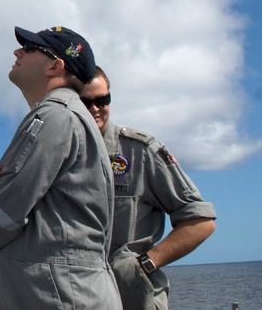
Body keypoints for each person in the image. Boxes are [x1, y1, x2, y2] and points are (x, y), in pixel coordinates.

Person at [0, 26, 121, 309]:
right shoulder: (66, 116)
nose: (17, 52)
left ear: (54, 66)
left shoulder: (52, 116)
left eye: (29, 48)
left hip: (59, 295)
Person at [81, 67, 216, 310]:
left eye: (102, 100)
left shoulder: (141, 152)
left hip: (133, 299)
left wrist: (145, 264)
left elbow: (201, 221)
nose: (94, 109)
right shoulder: (55, 153)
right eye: (85, 101)